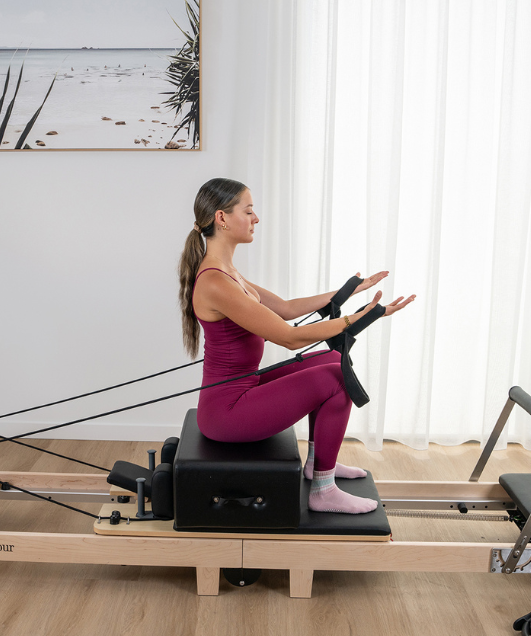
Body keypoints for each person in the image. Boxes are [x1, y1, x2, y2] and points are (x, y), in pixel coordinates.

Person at [178, 178, 415, 514]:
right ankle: (323, 490)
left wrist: (351, 291)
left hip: (243, 389)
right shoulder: (216, 281)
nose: (256, 218)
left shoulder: (228, 271)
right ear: (222, 218)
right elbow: (289, 337)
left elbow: (286, 308)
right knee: (335, 379)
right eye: (248, 211)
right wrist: (364, 316)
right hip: (226, 412)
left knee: (330, 358)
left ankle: (319, 464)